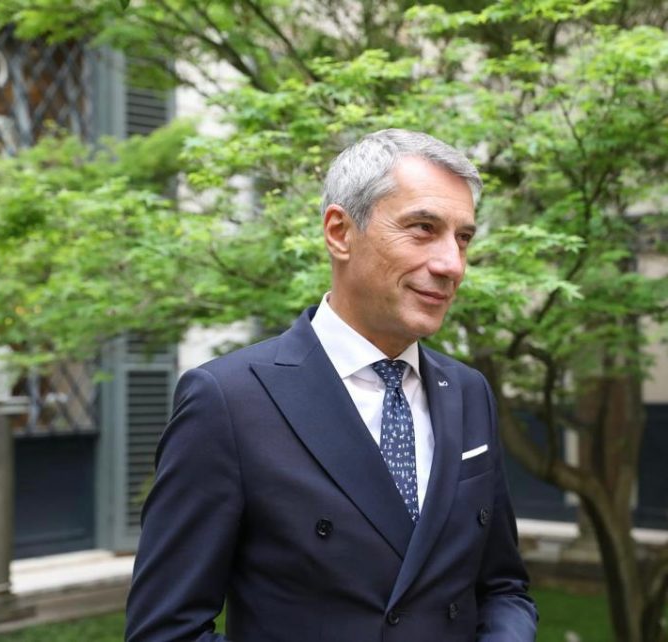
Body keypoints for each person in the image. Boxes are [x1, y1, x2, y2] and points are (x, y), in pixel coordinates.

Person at [125, 129, 538, 641]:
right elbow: (166, 630)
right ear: (340, 232)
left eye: (463, 238)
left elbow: (502, 588)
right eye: (423, 229)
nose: (451, 264)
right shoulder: (228, 401)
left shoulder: (469, 392)